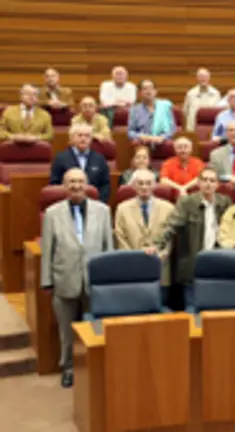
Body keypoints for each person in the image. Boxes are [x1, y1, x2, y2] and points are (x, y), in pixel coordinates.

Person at [41, 168, 113, 388]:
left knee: (95, 328)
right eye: (71, 182)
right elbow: (47, 249)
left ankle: (96, 368)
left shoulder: (103, 210)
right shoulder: (52, 213)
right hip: (65, 278)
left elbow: (108, 247)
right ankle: (68, 368)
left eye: (80, 181)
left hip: (95, 280)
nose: (76, 186)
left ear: (87, 185)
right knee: (66, 330)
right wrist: (47, 281)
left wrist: (108, 280)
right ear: (64, 186)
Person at [148, 168, 231, 309]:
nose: (208, 184)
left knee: (215, 310)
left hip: (217, 262)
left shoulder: (224, 202)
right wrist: (157, 244)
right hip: (192, 264)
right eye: (204, 180)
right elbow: (171, 225)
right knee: (192, 310)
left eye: (212, 181)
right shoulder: (187, 202)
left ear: (217, 184)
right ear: (198, 183)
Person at [114, 169, 175, 286]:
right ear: (133, 186)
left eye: (148, 183)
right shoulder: (122, 209)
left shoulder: (168, 208)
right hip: (132, 267)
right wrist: (135, 259)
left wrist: (159, 256)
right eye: (140, 183)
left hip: (160, 267)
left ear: (155, 185)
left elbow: (170, 239)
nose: (144, 187)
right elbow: (121, 239)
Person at [50, 124, 111, 202]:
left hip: (94, 204)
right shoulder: (60, 158)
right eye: (80, 135)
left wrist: (99, 203)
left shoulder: (100, 159)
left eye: (87, 136)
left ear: (91, 139)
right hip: (67, 203)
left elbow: (105, 185)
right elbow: (55, 184)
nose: (83, 138)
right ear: (71, 138)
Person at [127, 79, 176, 147]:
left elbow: (172, 129)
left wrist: (162, 137)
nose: (148, 91)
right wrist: (141, 136)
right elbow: (130, 132)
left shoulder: (165, 106)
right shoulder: (135, 109)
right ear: (140, 92)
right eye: (145, 89)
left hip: (162, 142)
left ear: (155, 91)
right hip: (143, 143)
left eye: (151, 88)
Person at [182, 68, 221, 132]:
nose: (203, 78)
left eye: (205, 76)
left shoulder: (216, 93)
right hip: (193, 128)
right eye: (201, 76)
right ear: (197, 78)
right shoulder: (190, 93)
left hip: (211, 128)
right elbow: (185, 112)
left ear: (209, 78)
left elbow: (218, 112)